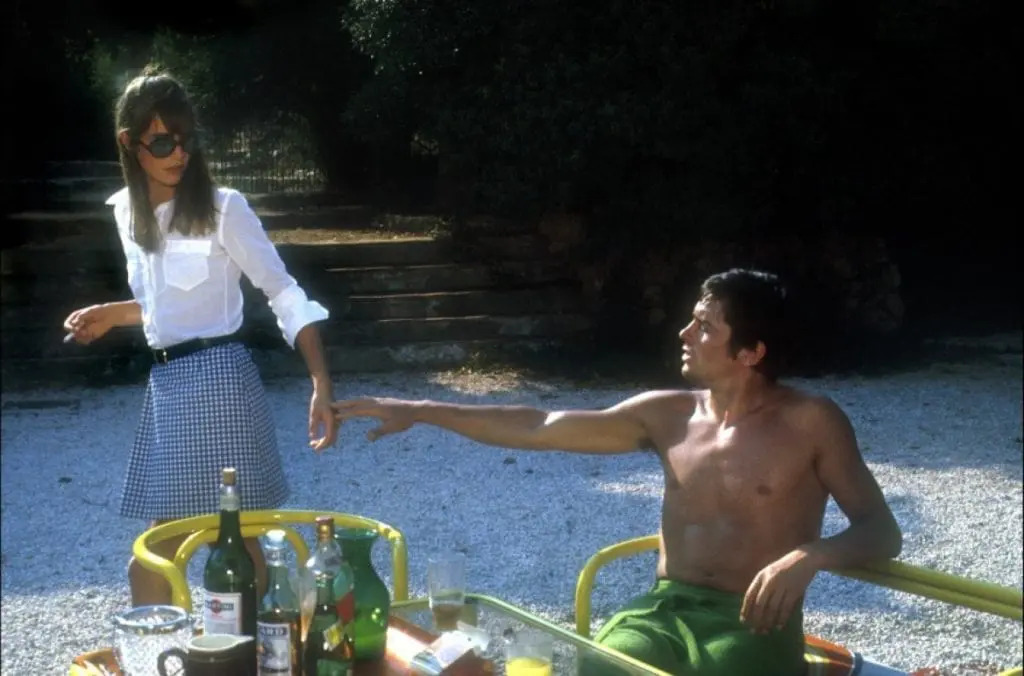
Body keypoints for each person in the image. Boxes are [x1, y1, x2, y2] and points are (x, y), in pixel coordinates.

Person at [331, 268, 903, 675]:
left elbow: (881, 531)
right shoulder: (666, 414)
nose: (684, 334)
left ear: (751, 352)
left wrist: (811, 555)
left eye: (705, 326)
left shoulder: (811, 422)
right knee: (599, 665)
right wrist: (421, 410)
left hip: (751, 622)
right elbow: (540, 424)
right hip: (664, 609)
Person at [62, 67, 339, 606]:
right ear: (130, 142)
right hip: (167, 386)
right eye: (162, 141)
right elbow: (168, 304)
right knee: (171, 546)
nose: (177, 153)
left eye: (184, 138)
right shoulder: (125, 212)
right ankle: (159, 655)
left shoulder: (224, 207)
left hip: (219, 381)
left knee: (233, 538)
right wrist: (111, 314)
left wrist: (320, 381)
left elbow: (282, 291)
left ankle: (267, 652)